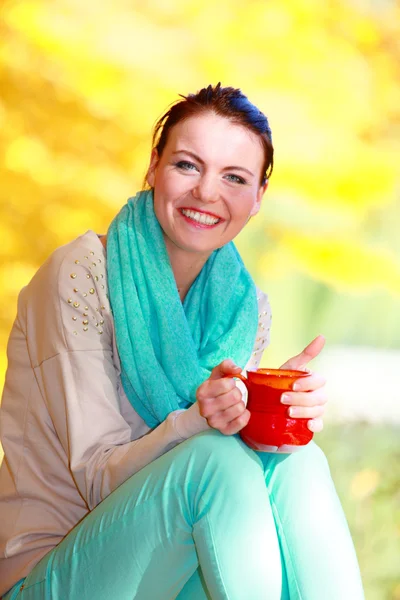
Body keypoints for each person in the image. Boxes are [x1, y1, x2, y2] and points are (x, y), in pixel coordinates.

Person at [0, 84, 364, 600]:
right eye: (188, 166)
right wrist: (200, 418)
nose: (207, 193)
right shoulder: (82, 273)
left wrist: (272, 413)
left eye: (234, 177)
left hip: (169, 571)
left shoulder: (245, 310)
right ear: (154, 167)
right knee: (217, 460)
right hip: (49, 576)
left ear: (258, 198)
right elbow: (99, 481)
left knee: (297, 459)